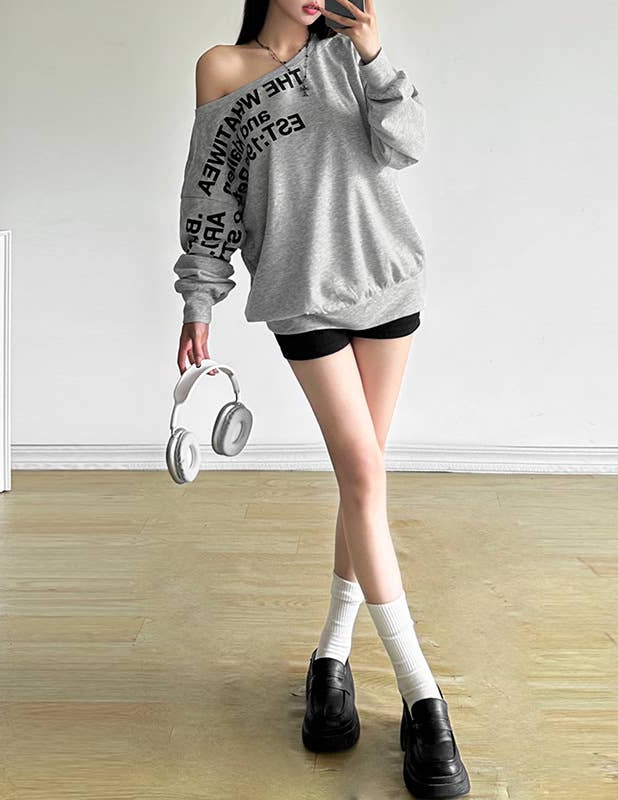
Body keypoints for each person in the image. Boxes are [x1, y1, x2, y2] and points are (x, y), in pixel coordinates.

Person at [171, 1, 470, 796]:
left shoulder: (348, 53)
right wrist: (199, 298)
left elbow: (407, 146)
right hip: (301, 295)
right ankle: (423, 697)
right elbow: (211, 194)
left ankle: (331, 660)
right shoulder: (221, 69)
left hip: (388, 281)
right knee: (364, 477)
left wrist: (373, 52)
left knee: (360, 479)